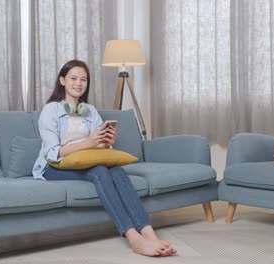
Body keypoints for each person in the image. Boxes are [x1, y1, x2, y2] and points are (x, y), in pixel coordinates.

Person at [32, 60, 176, 257]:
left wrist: (106, 141)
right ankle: (133, 237)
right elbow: (52, 152)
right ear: (62, 80)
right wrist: (89, 142)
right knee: (99, 171)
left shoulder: (89, 111)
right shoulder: (51, 110)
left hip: (84, 161)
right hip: (53, 166)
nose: (79, 83)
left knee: (117, 170)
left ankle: (149, 233)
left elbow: (98, 147)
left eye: (83, 79)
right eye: (73, 78)